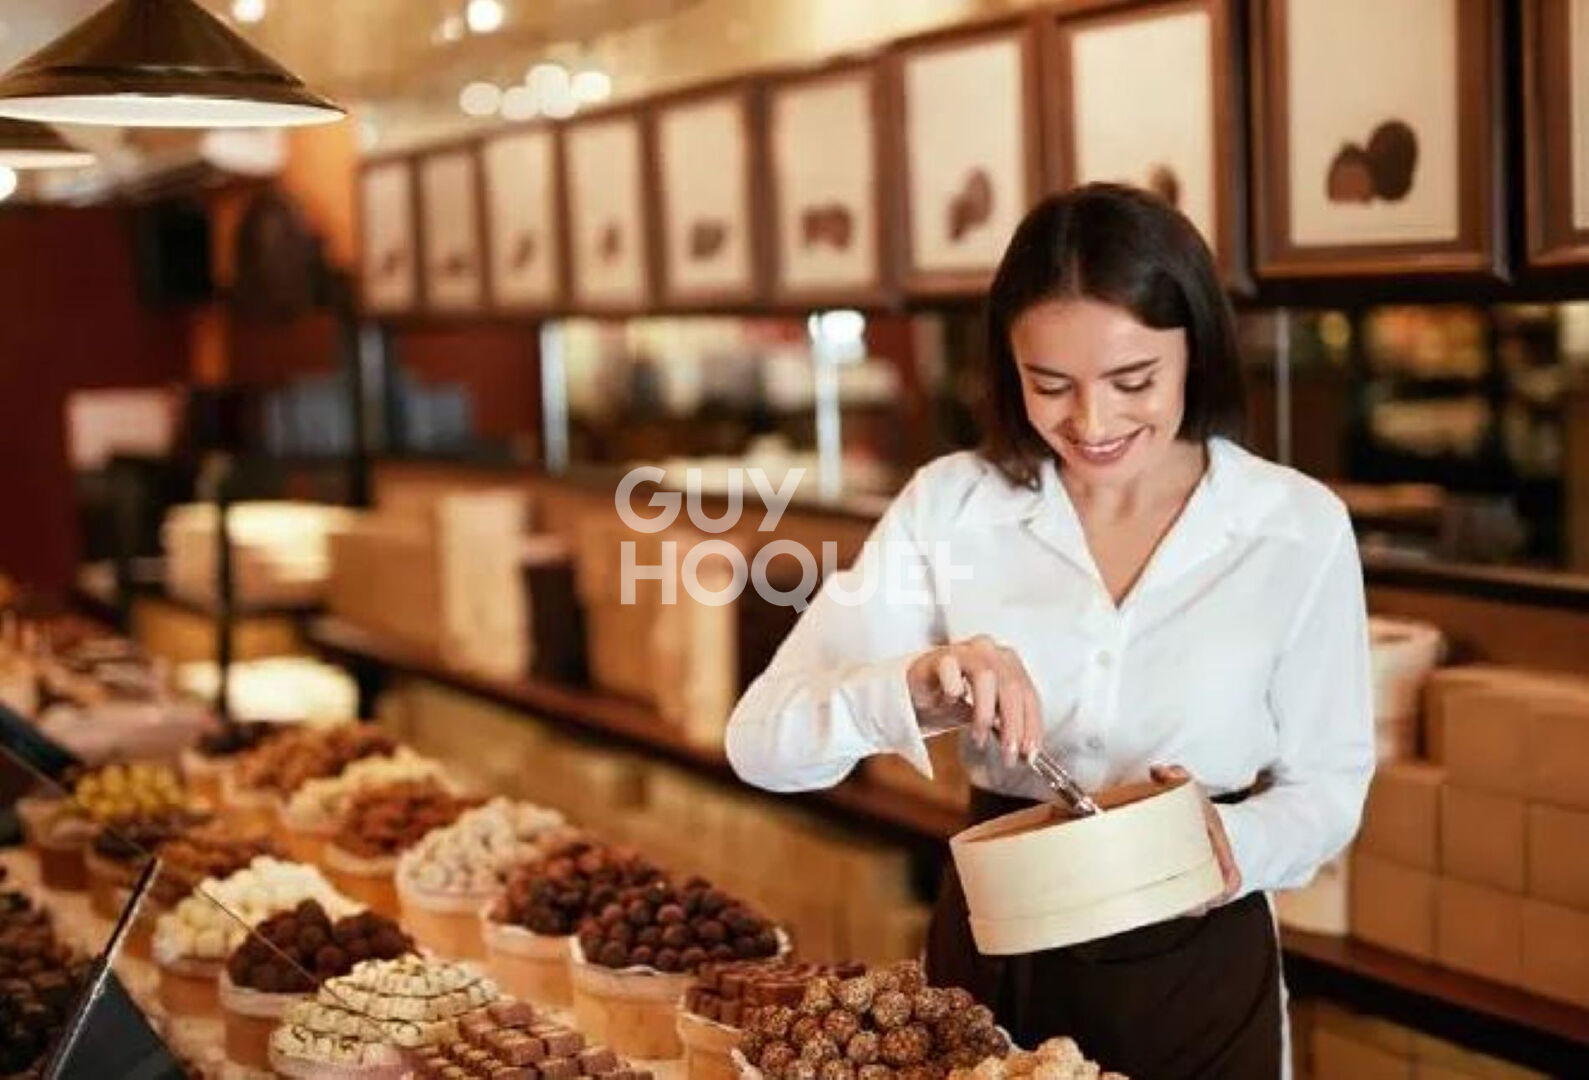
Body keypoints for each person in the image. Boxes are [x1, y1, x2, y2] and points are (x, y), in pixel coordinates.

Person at [725, 184, 1374, 1078]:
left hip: (1196, 963)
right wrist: (913, 687)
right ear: (1006, 366)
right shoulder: (952, 505)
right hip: (997, 959)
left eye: (1133, 381)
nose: (1093, 423)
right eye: (1050, 385)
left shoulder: (1295, 526)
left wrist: (1229, 851)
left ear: (1197, 350)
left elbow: (1329, 786)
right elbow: (760, 744)